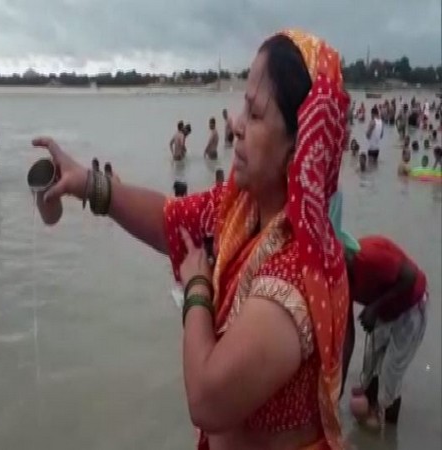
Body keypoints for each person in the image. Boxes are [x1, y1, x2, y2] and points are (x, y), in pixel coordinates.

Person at [32, 29, 350, 449]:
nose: (236, 124)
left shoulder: (294, 278)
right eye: (243, 107)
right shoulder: (243, 206)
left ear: (299, 146)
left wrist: (197, 289)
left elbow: (207, 400)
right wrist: (87, 185)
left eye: (255, 115)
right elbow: (169, 219)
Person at [344, 236, 427, 429]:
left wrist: (373, 308)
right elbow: (348, 333)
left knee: (391, 373)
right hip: (384, 310)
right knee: (371, 361)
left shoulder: (371, 257)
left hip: (410, 307)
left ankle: (388, 430)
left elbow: (409, 277)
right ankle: (370, 412)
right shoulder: (338, 279)